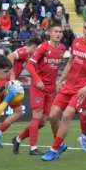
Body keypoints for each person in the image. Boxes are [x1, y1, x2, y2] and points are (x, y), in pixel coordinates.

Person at [41, 18, 86, 162]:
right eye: (85, 28)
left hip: (82, 89)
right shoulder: (76, 42)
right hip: (68, 86)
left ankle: (53, 149)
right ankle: (60, 144)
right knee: (52, 116)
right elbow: (71, 63)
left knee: (67, 115)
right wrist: (61, 79)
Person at [0, 37, 42, 150]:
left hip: (5, 83)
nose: (38, 53)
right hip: (5, 84)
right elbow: (10, 57)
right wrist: (12, 78)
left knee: (11, 112)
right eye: (37, 50)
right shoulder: (24, 51)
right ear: (34, 47)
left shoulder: (28, 56)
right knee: (4, 113)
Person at [12, 23, 66, 155]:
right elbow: (30, 65)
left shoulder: (62, 48)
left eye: (60, 32)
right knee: (37, 115)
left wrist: (60, 82)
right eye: (55, 31)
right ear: (49, 33)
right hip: (38, 87)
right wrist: (37, 80)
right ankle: (33, 148)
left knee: (42, 122)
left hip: (50, 89)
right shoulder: (42, 47)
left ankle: (18, 139)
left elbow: (55, 68)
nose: (58, 34)